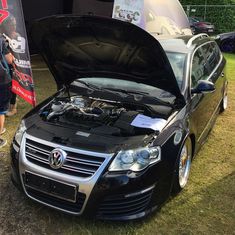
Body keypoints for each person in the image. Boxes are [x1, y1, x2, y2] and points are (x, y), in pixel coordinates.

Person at [0, 35, 14, 148]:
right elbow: (9, 60)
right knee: (1, 109)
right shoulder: (1, 39)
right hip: (1, 79)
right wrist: (8, 44)